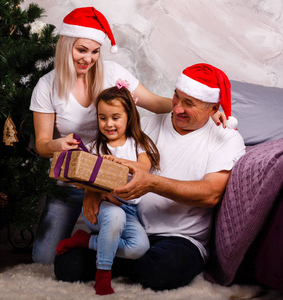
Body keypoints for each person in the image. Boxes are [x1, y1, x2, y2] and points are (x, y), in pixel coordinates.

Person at [30, 7, 225, 265]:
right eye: (81, 50)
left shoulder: (112, 73)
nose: (88, 59)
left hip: (111, 184)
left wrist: (201, 108)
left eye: (95, 51)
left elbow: (155, 103)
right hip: (72, 184)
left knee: (126, 239)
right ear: (66, 45)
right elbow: (43, 145)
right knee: (43, 260)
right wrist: (56, 144)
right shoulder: (47, 85)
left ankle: (96, 250)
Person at [54, 63, 246, 291]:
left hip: (180, 239)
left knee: (163, 269)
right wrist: (92, 191)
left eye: (189, 104)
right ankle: (126, 254)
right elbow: (109, 160)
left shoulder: (226, 139)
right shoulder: (146, 125)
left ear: (213, 109)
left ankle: (119, 258)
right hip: (130, 225)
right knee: (67, 266)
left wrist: (152, 183)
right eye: (176, 97)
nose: (177, 108)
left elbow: (210, 194)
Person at [55, 80, 160, 295]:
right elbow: (85, 179)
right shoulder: (96, 146)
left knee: (139, 247)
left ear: (129, 116)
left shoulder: (139, 142)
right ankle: (103, 275)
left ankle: (85, 240)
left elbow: (143, 168)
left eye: (115, 118)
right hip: (101, 208)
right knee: (115, 217)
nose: (108, 124)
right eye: (102, 118)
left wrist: (123, 164)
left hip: (129, 210)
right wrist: (99, 190)